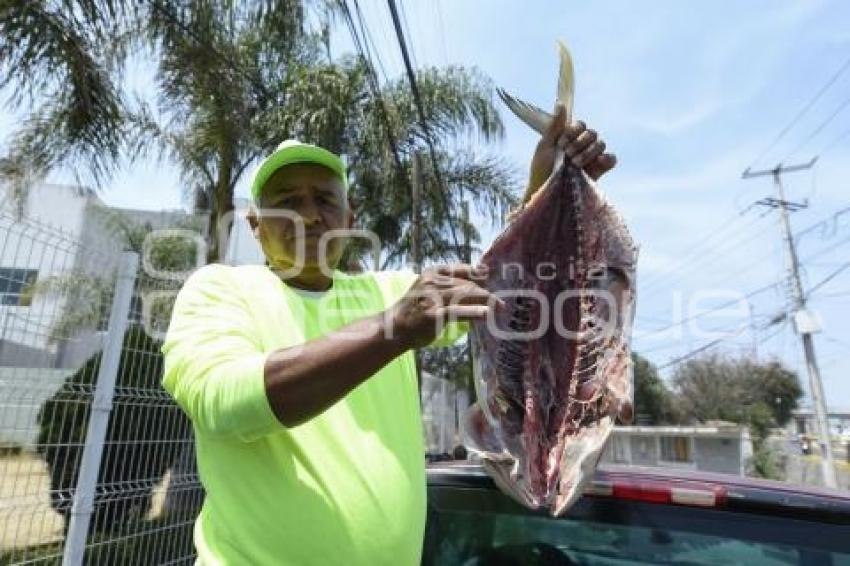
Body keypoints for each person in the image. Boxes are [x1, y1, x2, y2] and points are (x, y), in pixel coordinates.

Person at [160, 105, 615, 565]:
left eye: (324, 199)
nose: (309, 216)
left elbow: (508, 291)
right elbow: (225, 403)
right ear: (256, 226)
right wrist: (393, 329)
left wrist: (548, 187)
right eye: (287, 201)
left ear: (349, 216)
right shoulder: (221, 289)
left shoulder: (389, 291)